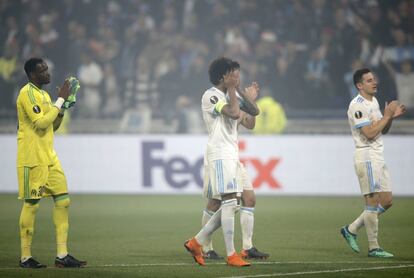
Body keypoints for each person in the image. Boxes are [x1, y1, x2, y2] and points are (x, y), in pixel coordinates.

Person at [184, 57, 266, 267]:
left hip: (233, 154)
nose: (238, 78)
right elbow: (233, 112)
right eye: (234, 74)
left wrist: (247, 96)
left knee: (246, 199)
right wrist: (234, 92)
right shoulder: (210, 95)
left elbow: (252, 117)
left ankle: (198, 242)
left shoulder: (235, 94)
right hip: (220, 154)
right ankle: (229, 254)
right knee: (227, 201)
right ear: (223, 76)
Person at [16, 57, 86, 268]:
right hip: (32, 158)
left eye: (47, 69)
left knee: (63, 201)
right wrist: (60, 99)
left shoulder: (45, 95)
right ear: (31, 75)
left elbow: (52, 126)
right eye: (42, 70)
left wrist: (62, 106)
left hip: (49, 157)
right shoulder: (26, 94)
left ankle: (62, 255)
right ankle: (25, 257)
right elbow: (40, 123)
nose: (47, 73)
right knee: (32, 205)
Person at [341, 68, 406, 258]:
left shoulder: (374, 101)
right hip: (366, 155)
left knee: (386, 201)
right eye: (369, 80)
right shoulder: (357, 105)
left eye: (374, 79)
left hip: (378, 154)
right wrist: (387, 116)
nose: (374, 82)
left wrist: (390, 117)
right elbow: (368, 133)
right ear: (359, 85)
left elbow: (381, 130)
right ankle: (373, 247)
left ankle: (351, 229)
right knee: (371, 203)